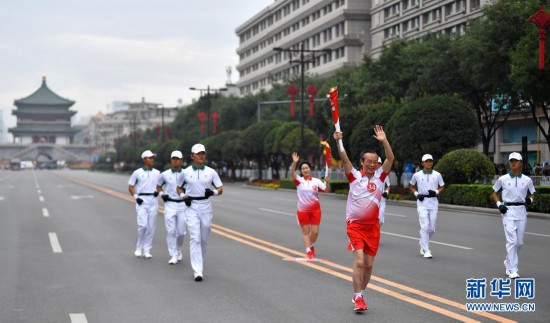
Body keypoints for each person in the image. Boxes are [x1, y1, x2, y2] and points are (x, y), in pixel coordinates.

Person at [333, 125, 394, 312]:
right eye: (368, 161)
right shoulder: (354, 177)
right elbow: (344, 159)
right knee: (359, 262)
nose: (372, 164)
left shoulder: (380, 177)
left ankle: (359, 292)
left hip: (373, 227)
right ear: (362, 162)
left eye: (375, 162)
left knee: (368, 266)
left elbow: (390, 158)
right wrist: (338, 141)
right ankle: (359, 298)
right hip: (355, 226)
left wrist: (384, 141)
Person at [177, 144, 223, 281]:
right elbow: (179, 188)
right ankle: (198, 270)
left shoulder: (211, 172)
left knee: (203, 239)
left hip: (206, 206)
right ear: (192, 156)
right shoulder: (185, 172)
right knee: (195, 238)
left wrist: (213, 192)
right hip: (191, 206)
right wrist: (183, 197)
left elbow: (220, 188)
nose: (201, 155)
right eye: (198, 153)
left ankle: (199, 262)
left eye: (203, 153)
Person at [492, 152, 536, 279]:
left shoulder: (527, 180)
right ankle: (513, 269)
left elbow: (532, 193)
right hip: (508, 211)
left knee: (519, 243)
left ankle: (508, 261)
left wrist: (531, 200)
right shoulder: (503, 179)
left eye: (516, 160)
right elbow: (494, 193)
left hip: (521, 211)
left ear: (521, 163)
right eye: (511, 160)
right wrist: (499, 204)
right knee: (512, 241)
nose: (513, 162)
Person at [290, 152, 330, 259]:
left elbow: (326, 190)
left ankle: (311, 244)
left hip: (315, 211)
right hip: (302, 210)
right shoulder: (299, 181)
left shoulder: (316, 182)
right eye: (303, 169)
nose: (305, 170)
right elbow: (292, 173)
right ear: (301, 171)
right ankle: (308, 250)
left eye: (307, 168)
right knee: (306, 231)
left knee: (315, 232)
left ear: (310, 169)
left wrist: (327, 182)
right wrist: (294, 163)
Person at [409, 154, 444, 259]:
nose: (429, 163)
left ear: (432, 162)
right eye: (426, 161)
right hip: (422, 202)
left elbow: (442, 186)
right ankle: (426, 250)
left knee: (432, 228)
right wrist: (417, 194)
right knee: (425, 226)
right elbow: (411, 186)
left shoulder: (437, 175)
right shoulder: (417, 175)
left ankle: (422, 242)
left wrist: (436, 192)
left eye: (430, 161)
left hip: (433, 202)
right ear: (422, 163)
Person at [128, 150, 161, 259]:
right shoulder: (137, 172)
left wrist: (158, 191)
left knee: (151, 226)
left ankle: (147, 249)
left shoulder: (157, 172)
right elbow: (131, 187)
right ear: (144, 159)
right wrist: (136, 197)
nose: (152, 159)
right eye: (150, 157)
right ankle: (139, 247)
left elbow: (159, 186)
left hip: (153, 200)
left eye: (153, 157)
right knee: (143, 225)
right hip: (142, 200)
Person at [157, 150, 187, 265]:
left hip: (182, 204)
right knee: (171, 231)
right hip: (169, 204)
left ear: (181, 161)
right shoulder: (164, 174)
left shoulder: (186, 174)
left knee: (181, 232)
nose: (175, 160)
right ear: (171, 160)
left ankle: (178, 249)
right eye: (173, 158)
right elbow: (158, 186)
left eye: (177, 158)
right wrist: (161, 194)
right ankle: (173, 254)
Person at [377, 157, 391, 226]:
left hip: (382, 200)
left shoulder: (384, 174)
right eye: (377, 163)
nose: (378, 165)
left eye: (379, 163)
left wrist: (386, 192)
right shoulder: (370, 173)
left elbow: (388, 186)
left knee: (380, 221)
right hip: (372, 199)